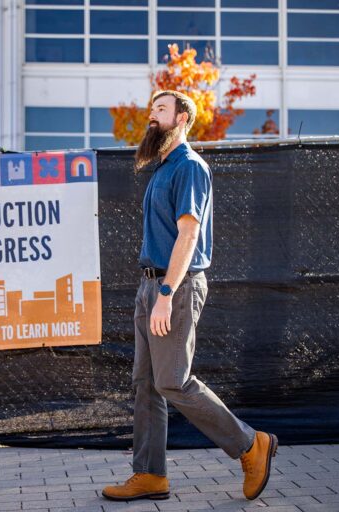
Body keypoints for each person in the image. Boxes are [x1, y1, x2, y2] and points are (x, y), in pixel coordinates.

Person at [101, 90, 277, 502]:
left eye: (161, 109)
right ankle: (149, 475)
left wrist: (166, 292)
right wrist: (152, 291)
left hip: (173, 287)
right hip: (150, 285)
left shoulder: (190, 167)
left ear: (182, 118)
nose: (152, 116)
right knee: (146, 384)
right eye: (152, 109)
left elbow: (189, 233)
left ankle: (250, 444)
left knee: (173, 381)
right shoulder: (162, 169)